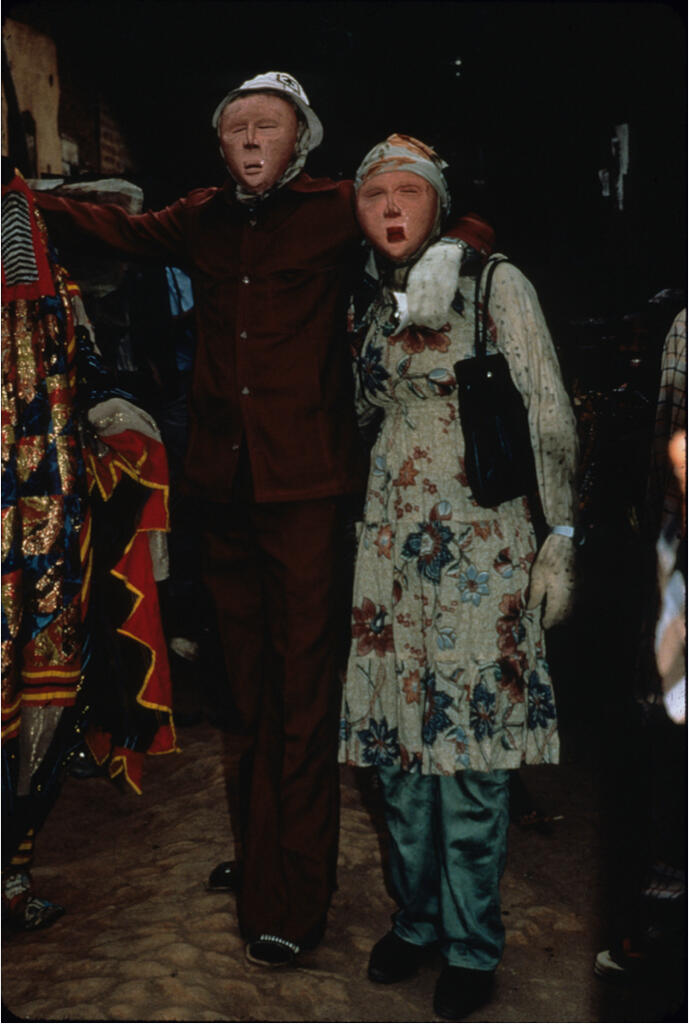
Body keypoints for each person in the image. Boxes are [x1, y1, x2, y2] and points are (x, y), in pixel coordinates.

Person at [33, 72, 471, 966]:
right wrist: (19, 199)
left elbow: (431, 218)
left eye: (265, 125)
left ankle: (291, 902)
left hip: (307, 491)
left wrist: (449, 255)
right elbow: (111, 224)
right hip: (222, 492)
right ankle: (268, 855)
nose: (249, 139)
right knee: (249, 698)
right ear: (222, 146)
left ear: (298, 137)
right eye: (235, 129)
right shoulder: (199, 218)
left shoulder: (333, 207)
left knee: (302, 698)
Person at [338, 134, 578, 1020]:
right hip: (391, 555)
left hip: (482, 551)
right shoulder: (367, 298)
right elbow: (365, 411)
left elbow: (548, 413)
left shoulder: (492, 284)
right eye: (374, 196)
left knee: (470, 760)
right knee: (399, 755)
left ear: (438, 202)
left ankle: (473, 943)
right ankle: (418, 921)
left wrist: (558, 538)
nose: (392, 208)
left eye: (409, 192)